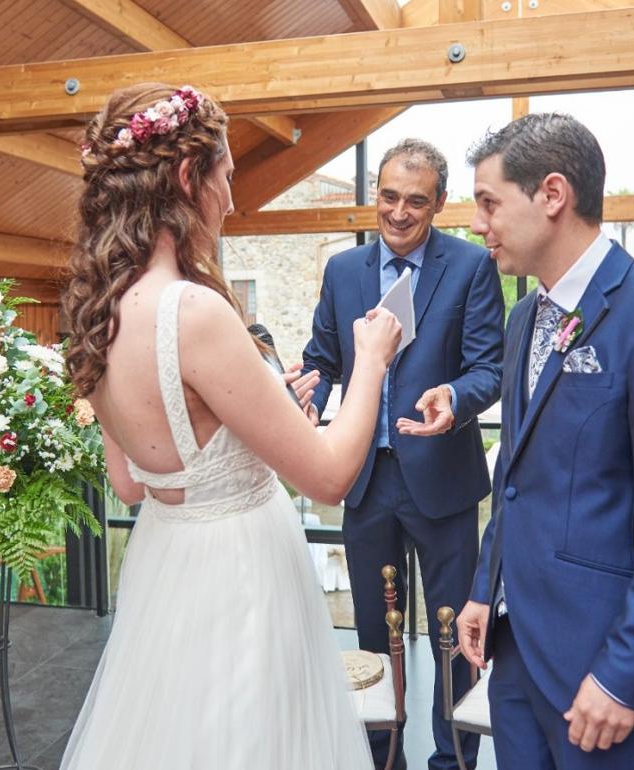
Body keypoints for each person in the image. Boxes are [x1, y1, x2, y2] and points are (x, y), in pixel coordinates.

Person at [59, 82, 401, 770]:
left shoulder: (96, 312)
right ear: (190, 176)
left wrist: (260, 414)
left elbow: (130, 483)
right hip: (241, 573)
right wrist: (371, 361)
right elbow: (330, 477)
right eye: (227, 177)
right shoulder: (193, 311)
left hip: (165, 563)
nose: (232, 200)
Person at [455, 113, 634, 770]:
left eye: (489, 202)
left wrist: (623, 676)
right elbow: (516, 473)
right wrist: (485, 586)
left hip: (603, 669)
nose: (477, 224)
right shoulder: (524, 317)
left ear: (553, 194)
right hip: (517, 647)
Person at [301, 139, 504, 770]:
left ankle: (453, 761)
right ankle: (381, 757)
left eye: (415, 201)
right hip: (365, 481)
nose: (398, 212)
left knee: (455, 636)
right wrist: (309, 397)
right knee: (372, 635)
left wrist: (454, 396)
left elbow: (489, 368)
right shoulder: (343, 271)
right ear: (376, 195)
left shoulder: (470, 267)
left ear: (439, 202)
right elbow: (322, 359)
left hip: (443, 480)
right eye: (388, 196)